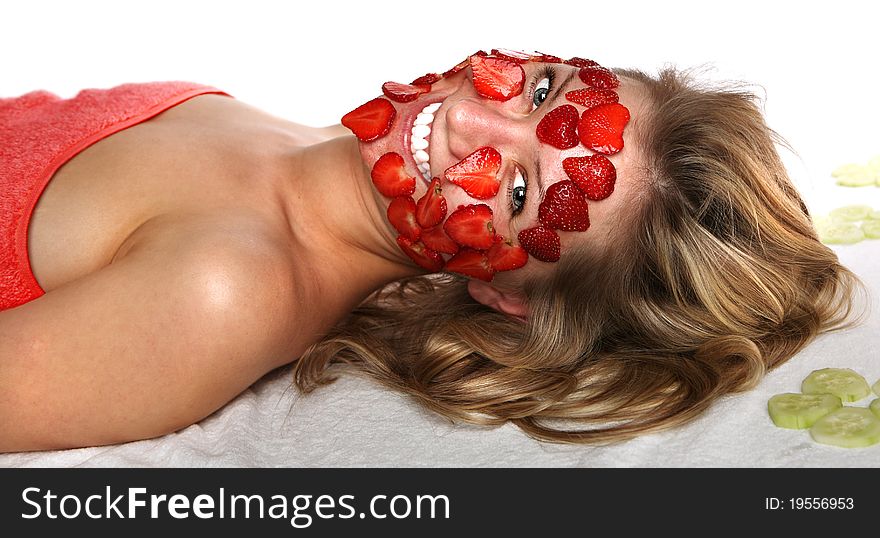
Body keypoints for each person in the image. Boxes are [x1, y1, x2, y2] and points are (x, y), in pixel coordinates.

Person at [0, 49, 864, 452]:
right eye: (538, 89)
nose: (467, 119)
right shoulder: (302, 137)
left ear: (506, 295)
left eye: (518, 191)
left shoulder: (226, 291)